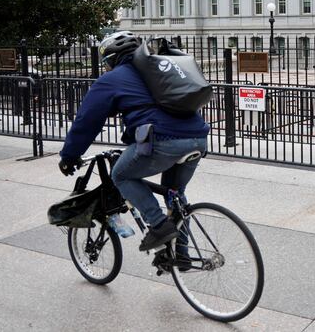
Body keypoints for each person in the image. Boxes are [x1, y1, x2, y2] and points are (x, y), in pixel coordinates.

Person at [58, 31, 210, 252]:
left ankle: (159, 226)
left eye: (106, 64)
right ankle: (180, 254)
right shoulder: (156, 71)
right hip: (198, 138)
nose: (106, 69)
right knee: (174, 192)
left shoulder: (112, 79)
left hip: (164, 140)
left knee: (120, 175)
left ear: (111, 59)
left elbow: (86, 120)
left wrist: (70, 155)